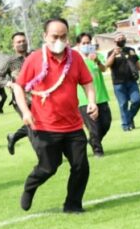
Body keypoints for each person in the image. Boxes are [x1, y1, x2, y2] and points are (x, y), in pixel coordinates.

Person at [11, 18, 98, 213]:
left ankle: (72, 204)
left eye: (63, 36)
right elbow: (19, 86)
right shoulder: (34, 59)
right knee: (49, 167)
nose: (59, 40)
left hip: (73, 125)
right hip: (45, 127)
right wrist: (25, 112)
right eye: (54, 36)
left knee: (81, 166)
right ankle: (30, 186)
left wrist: (91, 101)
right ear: (45, 36)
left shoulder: (75, 57)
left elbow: (87, 82)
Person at [106, 33, 140, 131]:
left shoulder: (130, 50)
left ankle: (129, 118)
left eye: (123, 38)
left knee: (137, 100)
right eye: (119, 38)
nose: (121, 40)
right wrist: (114, 54)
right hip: (118, 83)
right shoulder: (111, 52)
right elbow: (108, 64)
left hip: (131, 81)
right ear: (115, 41)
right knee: (123, 104)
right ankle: (126, 126)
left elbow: (137, 63)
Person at [76, 33, 112, 157]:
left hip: (101, 96)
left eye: (88, 43)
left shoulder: (97, 56)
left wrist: (96, 60)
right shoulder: (76, 60)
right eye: (84, 43)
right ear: (78, 45)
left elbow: (104, 69)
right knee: (94, 127)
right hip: (84, 99)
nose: (87, 45)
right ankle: (98, 151)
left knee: (106, 123)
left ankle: (92, 141)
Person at [0, 32, 32, 155]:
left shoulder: (33, 56)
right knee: (31, 125)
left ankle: (14, 136)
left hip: (37, 96)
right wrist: (9, 84)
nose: (22, 43)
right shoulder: (11, 61)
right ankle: (43, 155)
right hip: (20, 99)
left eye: (23, 41)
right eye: (18, 42)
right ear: (13, 45)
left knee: (40, 122)